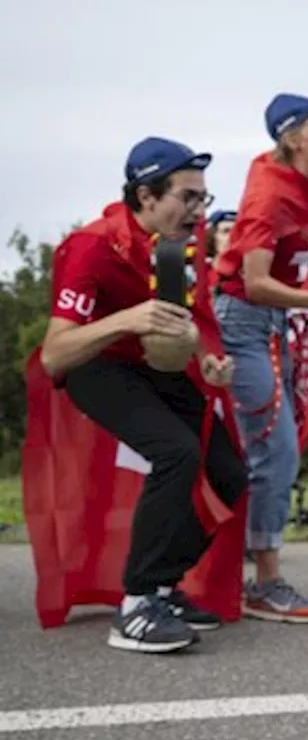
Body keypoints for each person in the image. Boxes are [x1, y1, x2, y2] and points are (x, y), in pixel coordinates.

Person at [39, 136, 247, 653]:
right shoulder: (91, 244)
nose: (199, 211)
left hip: (155, 368)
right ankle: (134, 606)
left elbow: (195, 322)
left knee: (230, 471)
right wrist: (125, 320)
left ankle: (161, 586)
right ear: (146, 196)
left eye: (204, 198)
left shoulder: (181, 248)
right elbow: (54, 354)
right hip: (96, 365)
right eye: (188, 197)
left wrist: (212, 362)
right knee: (175, 452)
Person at [214, 92, 308, 622]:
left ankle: (232, 576)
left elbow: (304, 262)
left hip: (276, 326)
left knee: (270, 448)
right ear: (292, 137)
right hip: (242, 323)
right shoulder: (269, 195)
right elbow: (254, 282)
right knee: (274, 451)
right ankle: (264, 582)